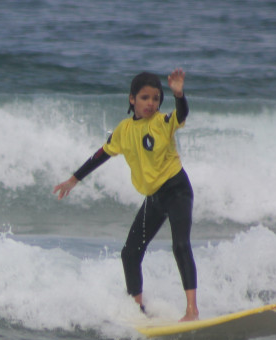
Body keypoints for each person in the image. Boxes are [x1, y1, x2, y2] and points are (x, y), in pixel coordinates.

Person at [52, 68, 199, 321]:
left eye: (155, 98)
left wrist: (179, 95)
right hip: (154, 197)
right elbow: (102, 154)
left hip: (177, 190)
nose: (150, 103)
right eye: (144, 98)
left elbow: (181, 113)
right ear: (132, 99)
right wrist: (73, 179)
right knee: (130, 252)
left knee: (180, 245)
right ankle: (137, 308)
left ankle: (192, 311)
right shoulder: (124, 130)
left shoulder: (163, 123)